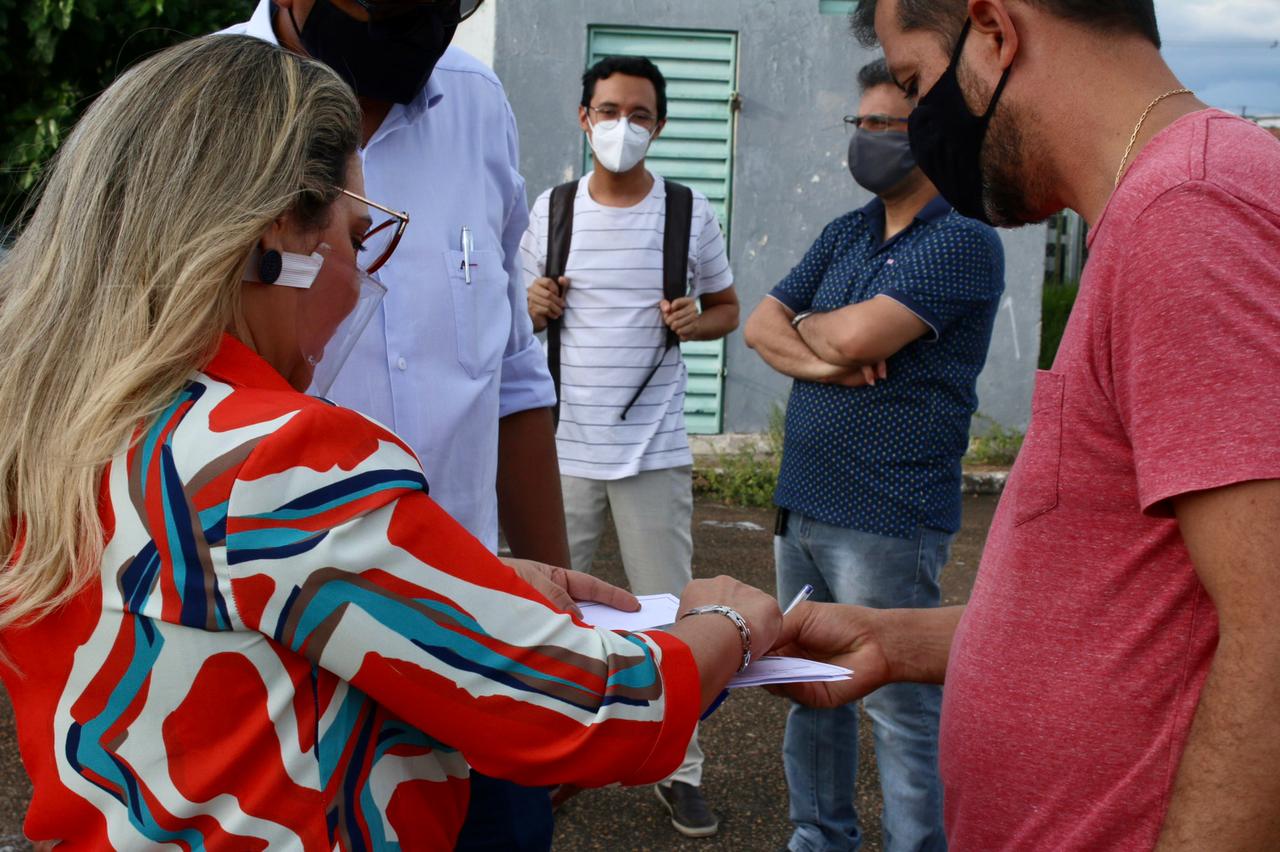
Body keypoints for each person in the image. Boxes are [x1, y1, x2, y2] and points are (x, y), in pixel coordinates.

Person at [0, 34, 784, 850]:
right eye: (362, 231)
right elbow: (590, 708)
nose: (361, 274)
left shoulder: (57, 425)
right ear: (281, 238)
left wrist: (453, 583)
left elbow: (215, 612)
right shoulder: (283, 454)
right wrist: (728, 622)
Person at [777, 1, 1280, 849]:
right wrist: (893, 639)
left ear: (996, 30)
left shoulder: (1188, 211)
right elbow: (1133, 608)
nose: (918, 127)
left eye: (913, 84)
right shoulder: (1164, 205)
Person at [220, 2, 572, 847]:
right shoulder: (204, 104)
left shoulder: (476, 103)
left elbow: (513, 375)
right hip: (278, 669)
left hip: (481, 649)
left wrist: (561, 652)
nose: (425, 19)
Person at [744, 56, 1003, 852]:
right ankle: (820, 838)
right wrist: (830, 358)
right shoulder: (847, 231)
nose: (862, 140)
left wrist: (823, 329)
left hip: (887, 516)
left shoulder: (963, 238)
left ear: (924, 132)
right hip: (804, 503)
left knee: (899, 705)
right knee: (808, 689)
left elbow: (849, 330)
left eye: (880, 126)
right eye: (857, 124)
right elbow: (760, 326)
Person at [522, 55, 740, 838]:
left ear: (660, 125)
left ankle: (681, 770)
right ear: (584, 119)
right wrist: (533, 307)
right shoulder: (550, 212)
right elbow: (516, 327)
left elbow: (727, 308)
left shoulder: (688, 212)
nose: (624, 127)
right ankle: (549, 761)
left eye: (640, 114)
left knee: (671, 619)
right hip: (562, 450)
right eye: (610, 110)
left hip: (652, 450)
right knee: (552, 614)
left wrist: (696, 320)